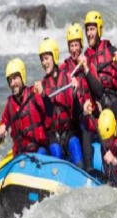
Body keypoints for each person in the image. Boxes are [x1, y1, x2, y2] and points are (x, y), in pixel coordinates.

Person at [60, 23, 103, 173]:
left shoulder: (88, 64)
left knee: (85, 126)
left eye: (76, 45)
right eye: (71, 46)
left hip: (89, 119)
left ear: (81, 45)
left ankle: (89, 168)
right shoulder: (64, 69)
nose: (74, 50)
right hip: (73, 121)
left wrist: (85, 70)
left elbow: (99, 91)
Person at [35, 37, 83, 167]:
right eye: (42, 59)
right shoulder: (42, 85)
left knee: (75, 146)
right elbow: (49, 112)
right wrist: (43, 95)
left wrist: (74, 92)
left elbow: (77, 112)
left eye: (47, 58)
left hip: (69, 132)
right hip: (53, 136)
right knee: (56, 152)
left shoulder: (68, 78)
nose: (44, 63)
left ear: (54, 56)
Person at [0, 58, 50, 155]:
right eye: (10, 80)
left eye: (15, 78)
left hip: (39, 150)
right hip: (21, 155)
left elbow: (49, 112)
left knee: (41, 155)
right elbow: (0, 137)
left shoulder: (34, 94)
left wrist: (43, 94)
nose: (12, 83)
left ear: (22, 76)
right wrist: (0, 131)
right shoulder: (9, 104)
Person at [83, 11, 117, 118]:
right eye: (87, 30)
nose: (89, 34)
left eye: (92, 29)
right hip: (96, 104)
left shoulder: (111, 50)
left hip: (112, 99)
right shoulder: (85, 59)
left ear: (99, 29)